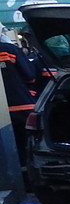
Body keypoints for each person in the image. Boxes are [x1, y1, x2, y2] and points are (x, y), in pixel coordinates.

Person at [0, 31, 38, 178]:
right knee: (28, 145)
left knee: (7, 149)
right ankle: (30, 178)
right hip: (21, 106)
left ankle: (13, 178)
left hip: (2, 112)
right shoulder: (10, 50)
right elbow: (29, 75)